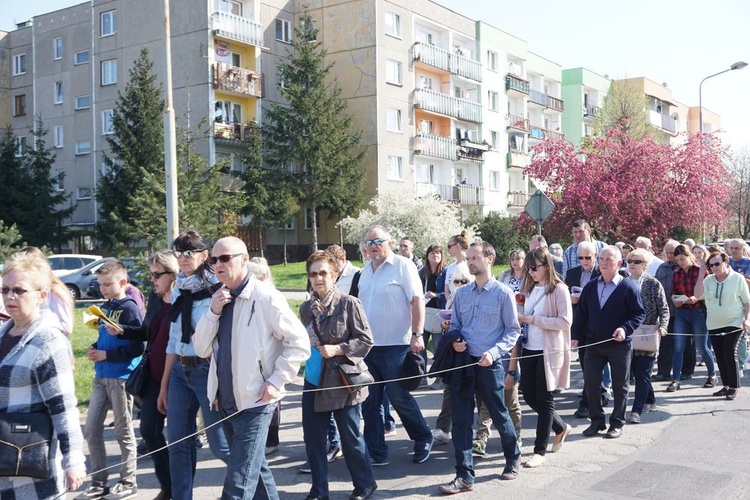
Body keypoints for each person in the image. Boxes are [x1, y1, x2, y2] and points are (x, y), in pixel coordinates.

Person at [194, 237, 310, 499]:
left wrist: (276, 380)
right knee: (255, 473)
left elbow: (300, 343)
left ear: (244, 259)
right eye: (213, 260)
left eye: (225, 258)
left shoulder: (266, 297)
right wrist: (213, 311)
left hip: (256, 402)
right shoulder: (218, 298)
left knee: (238, 483)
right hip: (225, 401)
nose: (218, 265)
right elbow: (201, 348)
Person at [437, 241, 522, 494]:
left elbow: (513, 331)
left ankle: (513, 456)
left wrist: (494, 353)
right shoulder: (461, 294)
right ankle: (464, 476)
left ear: (489, 259)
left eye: (475, 257)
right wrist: (455, 342)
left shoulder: (503, 293)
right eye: (469, 258)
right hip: (463, 365)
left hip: (489, 364)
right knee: (461, 421)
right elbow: (454, 326)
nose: (470, 262)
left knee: (498, 414)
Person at [0, 253, 86, 498]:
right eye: (5, 289)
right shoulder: (3, 333)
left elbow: (64, 407)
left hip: (29, 465)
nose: (10, 296)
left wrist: (73, 460)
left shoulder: (48, 341)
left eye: (19, 290)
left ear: (41, 296)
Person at [300, 251, 377, 500]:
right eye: (313, 273)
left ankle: (365, 484)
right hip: (313, 381)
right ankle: (319, 490)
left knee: (351, 438)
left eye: (323, 273)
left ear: (334, 275)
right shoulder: (305, 309)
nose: (318, 278)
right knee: (313, 441)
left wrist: (339, 348)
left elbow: (366, 340)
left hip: (343, 382)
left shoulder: (349, 303)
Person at [357, 225, 434, 466]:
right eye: (368, 242)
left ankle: (422, 437)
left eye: (377, 241)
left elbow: (417, 300)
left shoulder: (402, 266)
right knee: (370, 401)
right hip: (369, 347)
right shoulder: (365, 271)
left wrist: (417, 334)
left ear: (388, 242)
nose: (372, 246)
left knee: (399, 397)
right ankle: (376, 451)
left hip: (396, 345)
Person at [162, 231, 229, 500]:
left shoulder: (218, 285)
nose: (182, 258)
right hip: (180, 370)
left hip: (207, 370)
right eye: (178, 253)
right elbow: (173, 339)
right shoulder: (179, 285)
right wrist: (164, 384)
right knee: (176, 443)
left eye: (188, 253)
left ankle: (259, 491)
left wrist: (221, 379)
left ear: (204, 255)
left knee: (221, 446)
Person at [113, 251, 178, 500]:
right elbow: (147, 332)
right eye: (151, 275)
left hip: (179, 378)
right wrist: (122, 330)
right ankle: (168, 485)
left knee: (182, 439)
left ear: (172, 275)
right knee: (149, 430)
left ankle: (180, 488)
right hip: (152, 376)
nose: (152, 280)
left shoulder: (184, 299)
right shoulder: (155, 298)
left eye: (156, 275)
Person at [79, 260, 144, 499]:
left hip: (121, 378)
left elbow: (138, 345)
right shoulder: (106, 307)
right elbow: (105, 336)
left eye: (107, 284)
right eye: (100, 285)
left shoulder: (130, 308)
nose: (103, 289)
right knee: (91, 429)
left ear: (123, 282)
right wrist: (95, 348)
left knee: (123, 431)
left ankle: (128, 481)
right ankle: (99, 482)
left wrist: (109, 354)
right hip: (101, 375)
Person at [572, 246, 644, 439]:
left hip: (618, 345)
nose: (604, 263)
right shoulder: (591, 286)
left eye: (609, 260)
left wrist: (625, 328)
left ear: (619, 263)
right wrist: (575, 335)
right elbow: (581, 315)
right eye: (602, 259)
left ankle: (617, 423)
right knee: (591, 383)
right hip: (593, 344)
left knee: (620, 386)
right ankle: (596, 421)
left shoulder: (628, 287)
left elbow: (638, 314)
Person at [517, 248, 572, 467]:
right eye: (528, 268)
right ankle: (560, 427)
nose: (530, 272)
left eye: (534, 268)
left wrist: (533, 320)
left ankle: (539, 451)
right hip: (529, 348)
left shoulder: (559, 289)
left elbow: (565, 322)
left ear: (546, 266)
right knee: (529, 396)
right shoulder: (529, 287)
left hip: (549, 351)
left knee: (545, 399)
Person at [625, 249, 669, 423]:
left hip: (647, 333)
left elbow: (663, 308)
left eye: (636, 261)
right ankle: (649, 399)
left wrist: (663, 326)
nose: (632, 265)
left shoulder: (653, 283)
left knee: (643, 371)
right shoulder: (623, 283)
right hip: (627, 333)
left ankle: (637, 410)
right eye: (630, 261)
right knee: (636, 371)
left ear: (645, 265)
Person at [668, 244, 717, 392]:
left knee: (702, 346)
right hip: (682, 312)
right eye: (677, 260)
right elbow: (674, 292)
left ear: (690, 256)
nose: (680, 262)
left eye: (682, 259)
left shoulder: (701, 271)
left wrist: (697, 298)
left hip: (698, 312)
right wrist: (675, 299)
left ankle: (712, 374)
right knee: (678, 347)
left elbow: (708, 292)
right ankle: (675, 379)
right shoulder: (676, 273)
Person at [702, 251, 750, 400]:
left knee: (729, 352)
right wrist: (699, 275)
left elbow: (747, 301)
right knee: (721, 356)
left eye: (717, 264)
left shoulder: (738, 278)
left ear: (725, 262)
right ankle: (726, 386)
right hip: (714, 323)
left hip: (734, 322)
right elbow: (697, 294)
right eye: (711, 265)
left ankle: (734, 387)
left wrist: (747, 319)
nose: (714, 267)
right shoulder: (708, 280)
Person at [420, 244, 447, 375]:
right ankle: (421, 375)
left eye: (438, 253)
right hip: (423, 313)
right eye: (432, 253)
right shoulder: (422, 272)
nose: (435, 255)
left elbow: (449, 292)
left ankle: (439, 377)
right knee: (420, 346)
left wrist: (437, 295)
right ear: (427, 256)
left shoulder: (445, 272)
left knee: (438, 347)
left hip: (439, 313)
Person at [444, 230, 470, 302]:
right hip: (452, 306)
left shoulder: (471, 265)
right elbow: (446, 290)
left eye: (449, 246)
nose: (448, 250)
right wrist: (451, 304)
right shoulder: (450, 267)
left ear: (457, 246)